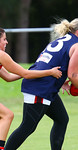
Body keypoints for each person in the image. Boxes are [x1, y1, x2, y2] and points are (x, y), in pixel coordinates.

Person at [4, 18, 78, 150]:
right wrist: (73, 81)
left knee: (62, 119)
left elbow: (53, 62)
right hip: (40, 87)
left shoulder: (63, 40)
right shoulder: (76, 45)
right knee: (28, 127)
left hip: (44, 86)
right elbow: (73, 75)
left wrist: (62, 83)